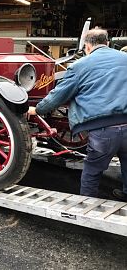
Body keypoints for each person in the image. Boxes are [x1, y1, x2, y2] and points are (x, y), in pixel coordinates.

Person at [28, 28, 127, 201]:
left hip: (103, 129)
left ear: (87, 47)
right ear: (108, 43)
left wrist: (37, 110)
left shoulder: (79, 66)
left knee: (93, 169)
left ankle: (86, 206)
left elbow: (58, 96)